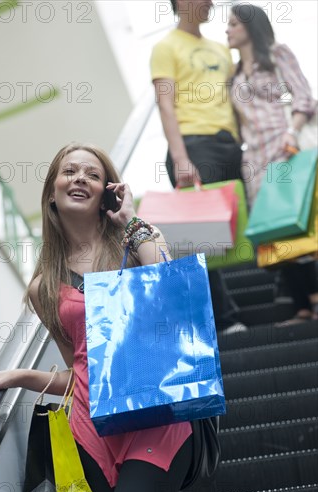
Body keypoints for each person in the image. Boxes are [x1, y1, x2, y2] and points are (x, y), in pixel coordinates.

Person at [0, 143, 195, 492]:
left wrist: (130, 221)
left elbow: (175, 295)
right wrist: (19, 376)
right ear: (51, 192)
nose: (79, 179)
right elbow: (81, 369)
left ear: (106, 191)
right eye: (69, 172)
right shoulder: (44, 287)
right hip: (93, 426)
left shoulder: (138, 239)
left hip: (156, 410)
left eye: (91, 174)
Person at [150, 0, 246, 334]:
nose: (211, 3)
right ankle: (225, 318)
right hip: (192, 145)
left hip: (232, 146)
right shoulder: (165, 46)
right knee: (201, 238)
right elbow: (165, 102)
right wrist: (180, 158)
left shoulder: (221, 48)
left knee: (244, 227)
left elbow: (237, 101)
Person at [226, 3, 318, 323]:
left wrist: (292, 134)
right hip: (255, 160)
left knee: (304, 221)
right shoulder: (234, 74)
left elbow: (304, 97)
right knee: (275, 233)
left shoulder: (278, 54)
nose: (228, 30)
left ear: (251, 27)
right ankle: (302, 306)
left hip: (287, 148)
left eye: (234, 24)